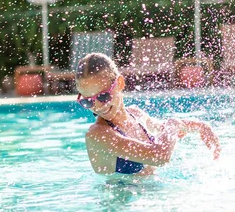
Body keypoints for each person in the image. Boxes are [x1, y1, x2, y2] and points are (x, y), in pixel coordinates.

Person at [76, 53, 221, 176]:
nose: (98, 106)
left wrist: (200, 126)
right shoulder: (98, 134)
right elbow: (160, 156)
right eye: (88, 101)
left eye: (103, 96)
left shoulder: (136, 115)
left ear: (120, 83)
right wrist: (174, 124)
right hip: (120, 207)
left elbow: (165, 131)